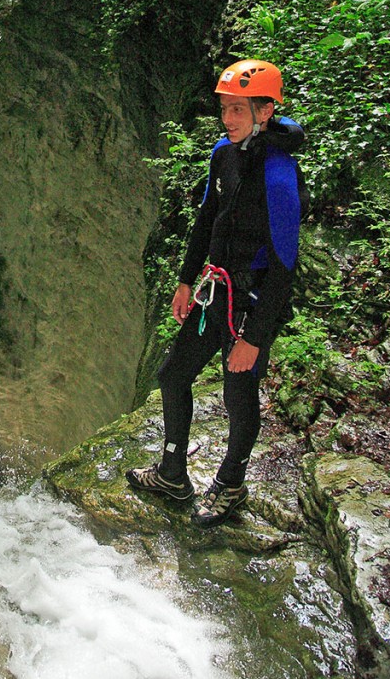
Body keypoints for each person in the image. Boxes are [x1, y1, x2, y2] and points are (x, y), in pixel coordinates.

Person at [126, 59, 308, 528]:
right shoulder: (222, 155)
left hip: (254, 300)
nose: (228, 119)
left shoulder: (280, 175)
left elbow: (285, 265)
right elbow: (206, 220)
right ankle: (172, 473)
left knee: (238, 391)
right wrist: (187, 280)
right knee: (172, 375)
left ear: (266, 111)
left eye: (239, 110)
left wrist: (255, 337)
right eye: (225, 108)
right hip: (216, 290)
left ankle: (230, 485)